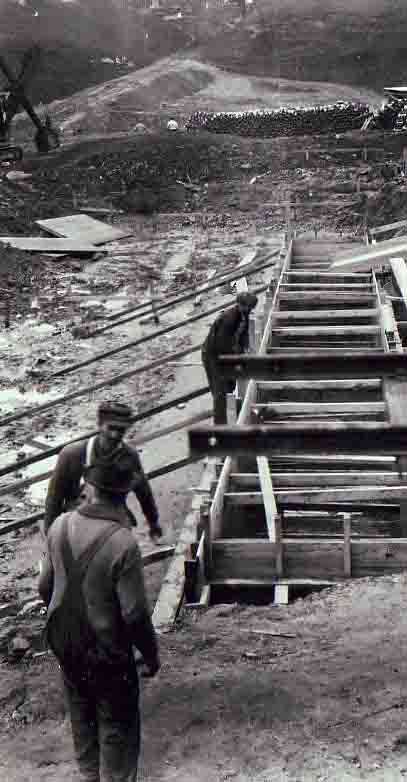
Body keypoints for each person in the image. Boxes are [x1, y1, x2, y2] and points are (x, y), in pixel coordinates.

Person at [39, 460, 160, 782]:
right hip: (107, 649)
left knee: (82, 717)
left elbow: (44, 587)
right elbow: (134, 613)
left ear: (89, 490)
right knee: (117, 724)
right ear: (122, 496)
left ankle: (89, 776)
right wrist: (150, 655)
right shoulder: (122, 542)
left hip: (65, 644)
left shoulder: (59, 526)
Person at [43, 401, 162, 540]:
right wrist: (51, 536)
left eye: (121, 430)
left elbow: (144, 492)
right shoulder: (72, 455)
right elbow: (54, 498)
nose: (115, 434)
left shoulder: (129, 456)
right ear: (99, 425)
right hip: (76, 522)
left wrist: (153, 523)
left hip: (114, 519)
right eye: (111, 428)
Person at [201, 292, 258, 424]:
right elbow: (222, 345)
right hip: (214, 356)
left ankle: (231, 412)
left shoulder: (244, 315)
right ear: (239, 304)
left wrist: (245, 347)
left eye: (251, 308)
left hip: (227, 353)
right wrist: (237, 357)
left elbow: (243, 333)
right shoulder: (228, 319)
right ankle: (220, 425)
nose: (249, 310)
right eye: (247, 307)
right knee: (220, 391)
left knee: (231, 385)